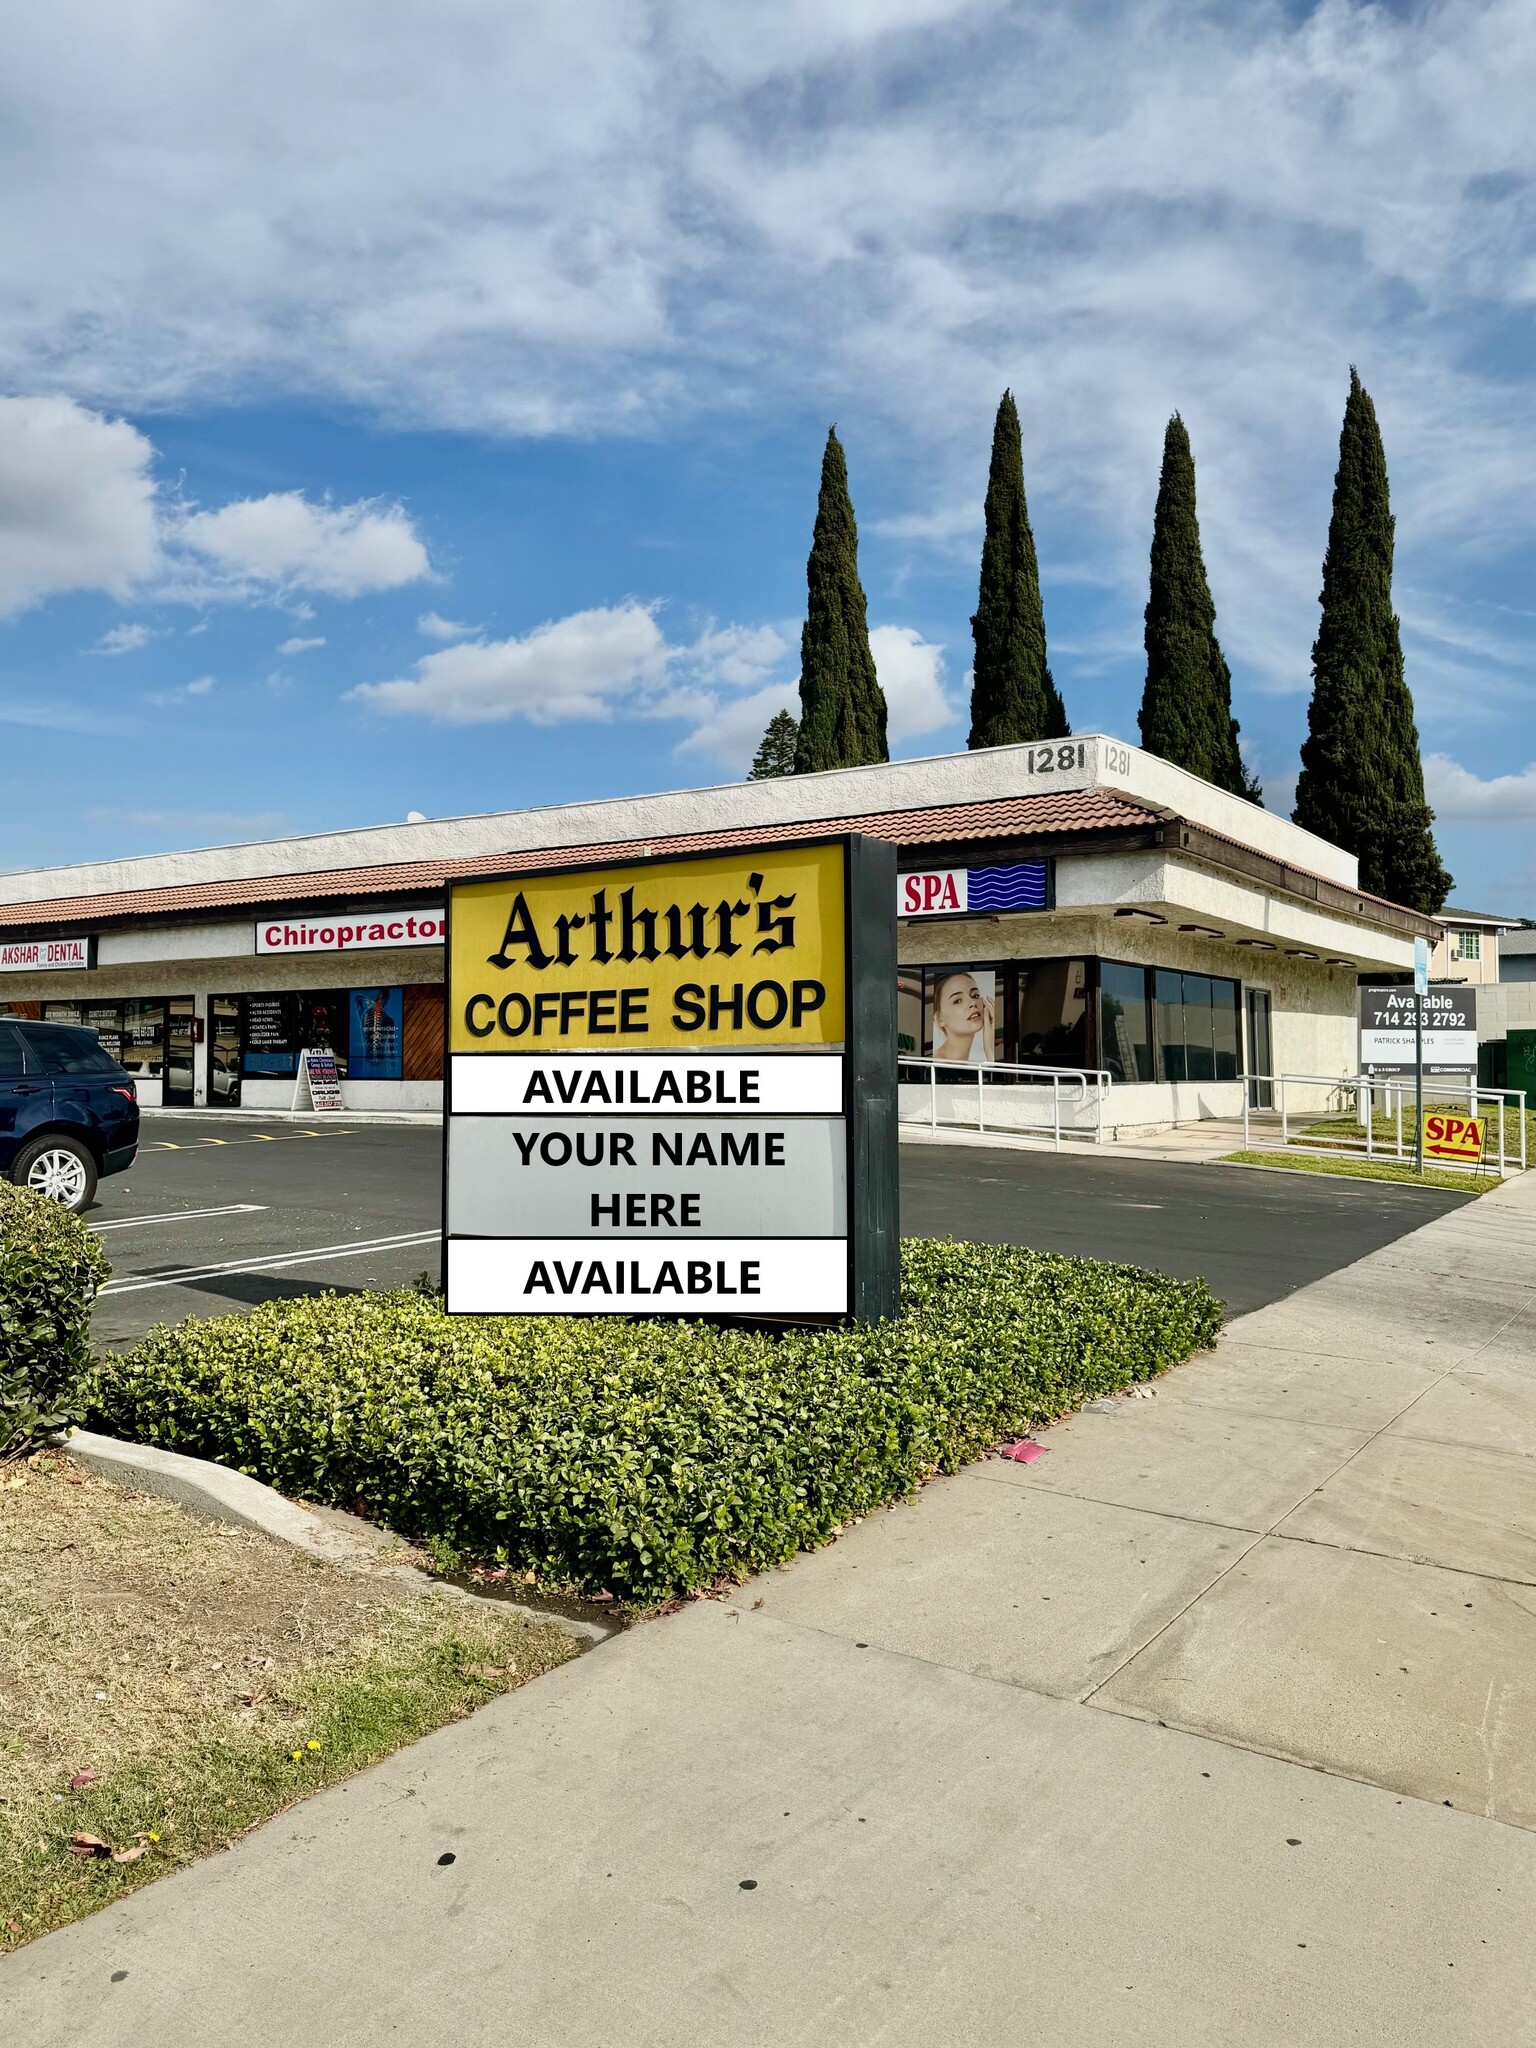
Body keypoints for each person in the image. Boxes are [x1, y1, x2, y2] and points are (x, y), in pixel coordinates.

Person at [930, 971, 994, 1064]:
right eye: (958, 1001)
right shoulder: (938, 1064)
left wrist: (990, 1048)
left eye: (975, 995)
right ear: (939, 1019)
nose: (972, 1002)